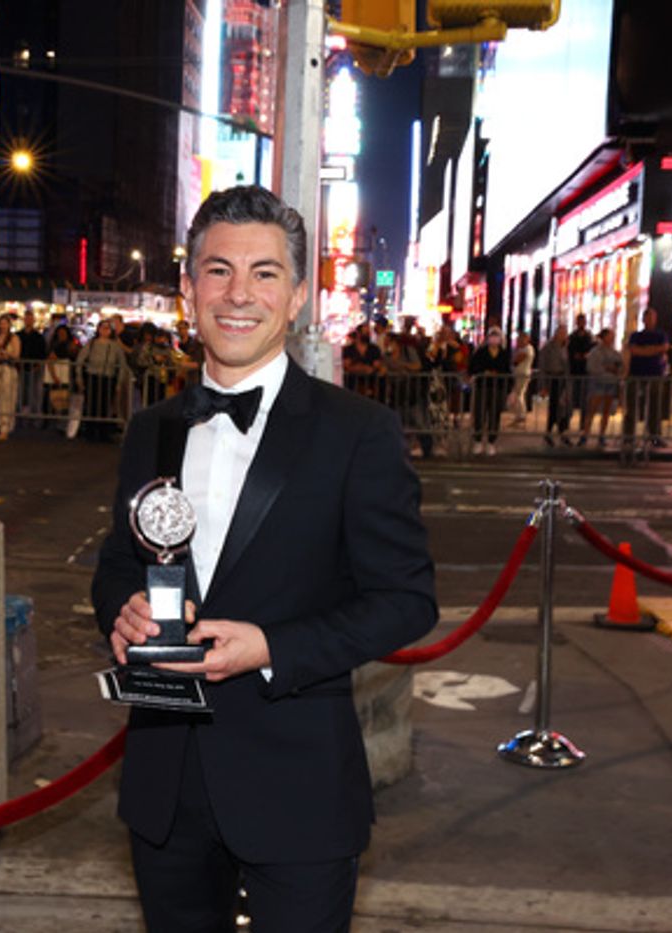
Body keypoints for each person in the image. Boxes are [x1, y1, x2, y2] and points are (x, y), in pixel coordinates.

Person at [91, 185, 436, 933]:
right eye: (217, 270)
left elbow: (407, 598)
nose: (238, 293)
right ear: (188, 289)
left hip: (298, 780)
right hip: (164, 782)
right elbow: (121, 560)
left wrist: (273, 647)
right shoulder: (150, 428)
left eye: (265, 273)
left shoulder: (358, 432)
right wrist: (122, 614)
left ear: (299, 295)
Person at [623, 308, 671, 449]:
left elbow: (664, 348)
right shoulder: (636, 335)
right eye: (648, 317)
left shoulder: (661, 334)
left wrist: (644, 351)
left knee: (655, 406)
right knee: (632, 406)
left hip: (655, 373)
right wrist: (653, 350)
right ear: (643, 319)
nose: (651, 320)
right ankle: (628, 436)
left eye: (653, 317)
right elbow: (633, 350)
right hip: (636, 373)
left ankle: (655, 435)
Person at [75, 318, 130, 441]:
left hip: (108, 377)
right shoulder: (92, 344)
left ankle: (103, 432)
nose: (105, 330)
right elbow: (80, 359)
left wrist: (119, 383)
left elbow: (122, 364)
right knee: (91, 405)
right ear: (98, 329)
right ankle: (90, 431)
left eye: (107, 328)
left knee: (105, 406)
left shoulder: (115, 346)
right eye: (102, 327)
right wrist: (79, 377)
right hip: (92, 376)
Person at [467, 325, 511, 456]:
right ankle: (478, 441)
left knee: (494, 415)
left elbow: (507, 370)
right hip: (482, 387)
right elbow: (473, 367)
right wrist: (483, 372)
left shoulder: (503, 354)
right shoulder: (481, 352)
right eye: (492, 336)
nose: (494, 339)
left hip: (497, 388)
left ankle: (491, 442)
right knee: (480, 413)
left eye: (496, 336)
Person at [580, 327, 623, 447]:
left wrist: (616, 370)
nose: (611, 339)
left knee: (606, 411)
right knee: (592, 409)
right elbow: (592, 367)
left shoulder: (615, 353)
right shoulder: (595, 352)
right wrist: (607, 368)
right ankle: (585, 434)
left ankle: (602, 434)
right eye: (609, 336)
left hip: (610, 383)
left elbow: (620, 366)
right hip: (598, 383)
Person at [536, 324, 571, 446]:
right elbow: (542, 365)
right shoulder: (548, 348)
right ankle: (550, 432)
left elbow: (566, 365)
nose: (563, 335)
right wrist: (543, 384)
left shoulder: (565, 347)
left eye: (565, 333)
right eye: (561, 333)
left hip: (563, 379)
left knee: (563, 407)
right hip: (553, 378)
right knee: (554, 407)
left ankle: (562, 432)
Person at [17, 309, 48, 425]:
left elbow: (42, 352)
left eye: (30, 318)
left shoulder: (39, 337)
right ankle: (23, 415)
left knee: (35, 392)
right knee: (22, 392)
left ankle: (34, 416)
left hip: (35, 368)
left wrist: (38, 365)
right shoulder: (18, 335)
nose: (28, 320)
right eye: (26, 318)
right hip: (22, 367)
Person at [567, 313, 595, 434]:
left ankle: (583, 423)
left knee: (585, 399)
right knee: (571, 398)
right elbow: (569, 351)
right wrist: (575, 356)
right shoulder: (572, 337)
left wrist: (585, 356)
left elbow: (592, 350)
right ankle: (566, 421)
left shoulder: (589, 337)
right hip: (574, 371)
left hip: (585, 371)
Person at [342, 323, 383, 399]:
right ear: (358, 333)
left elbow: (377, 365)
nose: (368, 334)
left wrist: (362, 368)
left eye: (369, 332)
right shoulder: (348, 349)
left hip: (371, 383)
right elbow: (346, 365)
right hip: (352, 384)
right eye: (365, 332)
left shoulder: (374, 349)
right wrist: (362, 368)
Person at [507, 332, 535, 426]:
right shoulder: (522, 349)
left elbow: (516, 360)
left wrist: (515, 356)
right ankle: (519, 415)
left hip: (523, 374)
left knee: (519, 394)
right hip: (519, 374)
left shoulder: (527, 349)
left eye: (521, 339)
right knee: (518, 394)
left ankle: (521, 415)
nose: (519, 341)